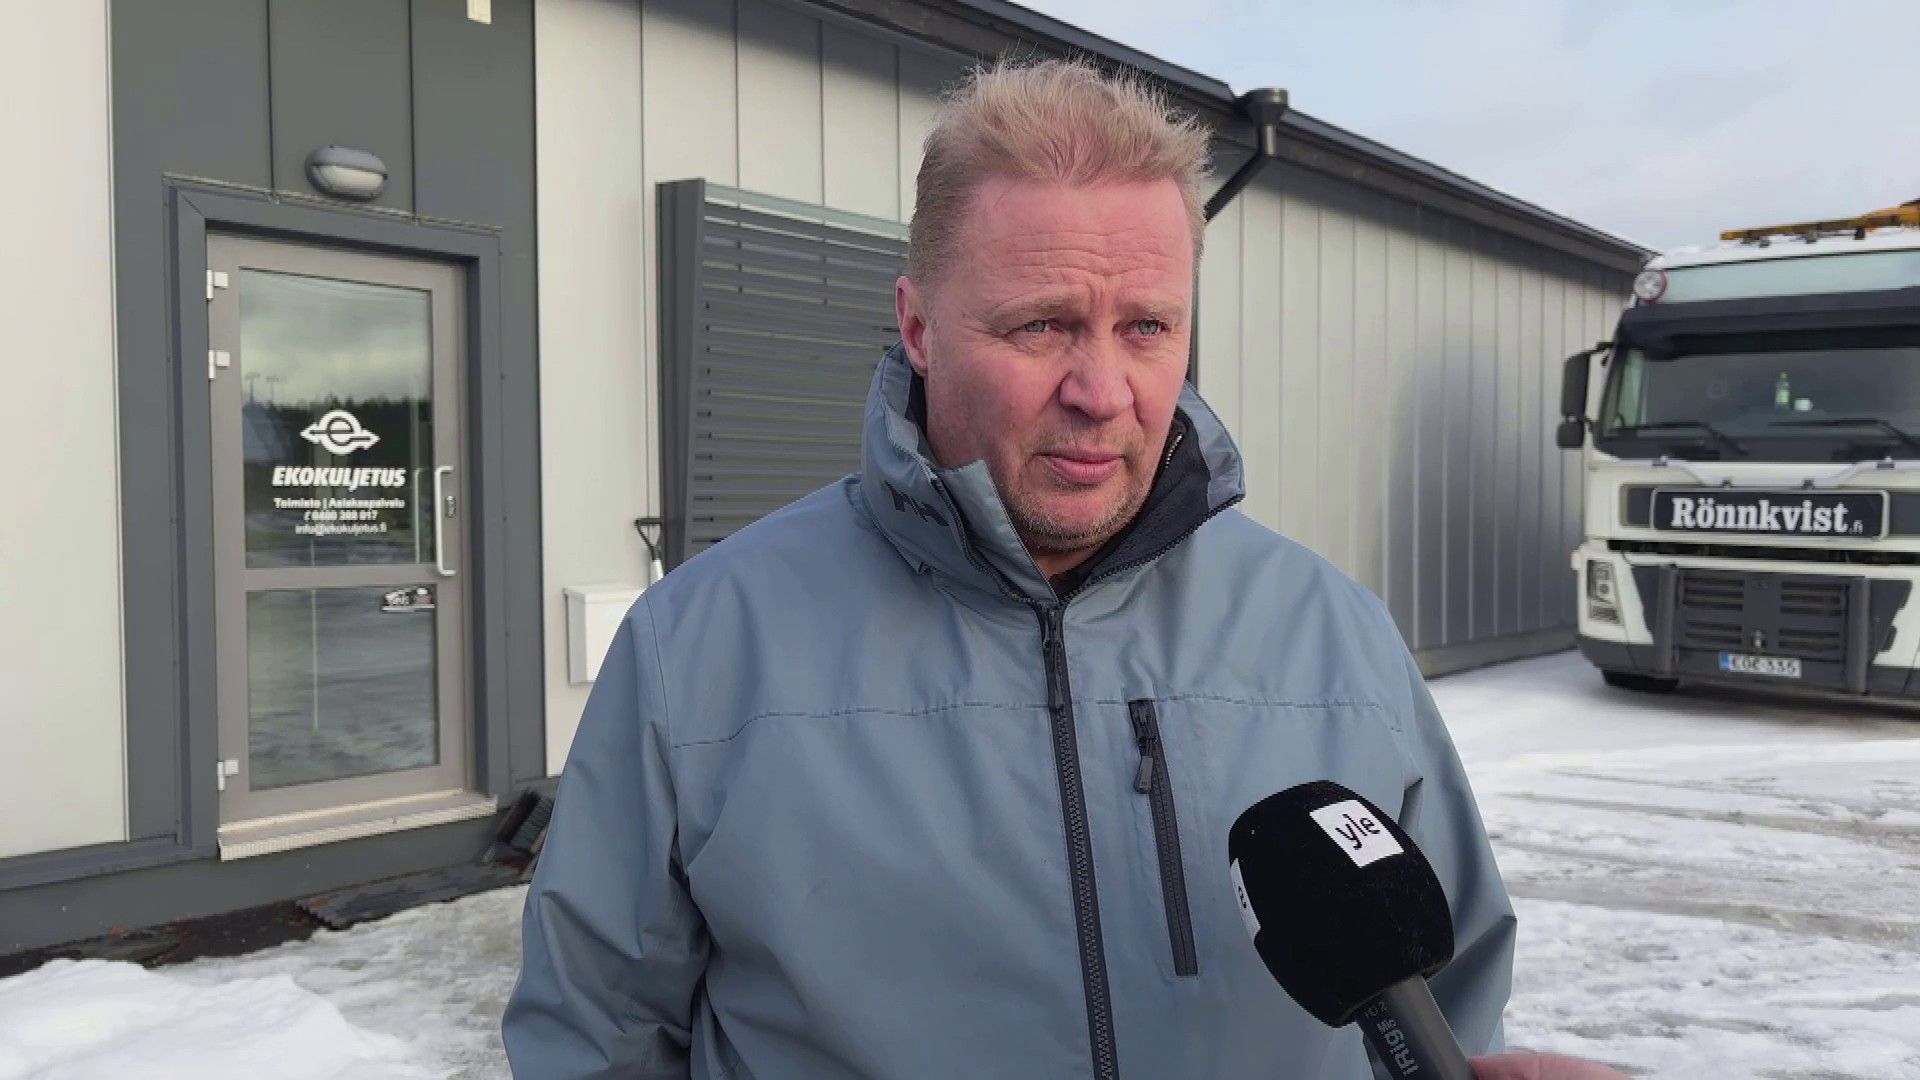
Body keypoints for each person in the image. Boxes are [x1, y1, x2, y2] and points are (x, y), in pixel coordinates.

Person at [503, 58, 1625, 1080]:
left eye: (1148, 328)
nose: (1102, 392)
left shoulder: (1335, 635)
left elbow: (1448, 1008)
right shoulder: (700, 649)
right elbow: (596, 1042)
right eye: (1041, 326)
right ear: (919, 328)